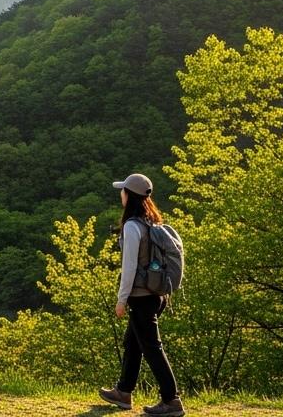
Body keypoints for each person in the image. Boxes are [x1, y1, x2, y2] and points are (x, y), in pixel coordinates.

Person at [100, 173, 185, 416]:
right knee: (133, 343)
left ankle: (172, 400)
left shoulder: (131, 226)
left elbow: (129, 268)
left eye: (123, 190)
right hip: (156, 295)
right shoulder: (151, 222)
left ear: (130, 196)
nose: (120, 194)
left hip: (140, 297)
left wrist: (121, 299)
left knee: (152, 347)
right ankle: (123, 392)